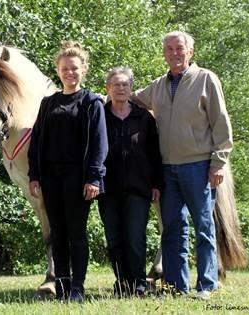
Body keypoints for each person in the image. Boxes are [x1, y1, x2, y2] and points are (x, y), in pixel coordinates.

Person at [132, 31, 233, 300]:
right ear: (164, 53)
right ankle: (177, 285)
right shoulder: (159, 85)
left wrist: (218, 163)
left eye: (179, 48)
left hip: (199, 166)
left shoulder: (206, 79)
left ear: (190, 51)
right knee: (173, 228)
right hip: (167, 168)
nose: (174, 53)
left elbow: (221, 123)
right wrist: (103, 98)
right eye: (169, 49)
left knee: (203, 227)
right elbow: (131, 99)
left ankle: (206, 285)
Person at [27, 41, 108, 303]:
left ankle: (78, 287)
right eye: (64, 68)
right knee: (57, 232)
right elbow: (36, 140)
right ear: (58, 71)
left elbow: (99, 143)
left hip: (78, 178)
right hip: (51, 178)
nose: (69, 73)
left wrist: (94, 177)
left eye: (74, 68)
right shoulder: (48, 103)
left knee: (76, 232)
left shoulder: (91, 101)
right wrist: (34, 175)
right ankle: (61, 285)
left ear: (83, 70)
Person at [98, 67, 162, 298]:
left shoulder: (143, 117)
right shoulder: (100, 116)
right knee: (114, 239)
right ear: (108, 88)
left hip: (139, 188)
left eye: (125, 84)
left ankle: (138, 283)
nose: (121, 88)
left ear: (131, 88)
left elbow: (155, 154)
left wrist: (156, 183)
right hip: (107, 188)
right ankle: (121, 282)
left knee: (135, 237)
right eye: (116, 84)